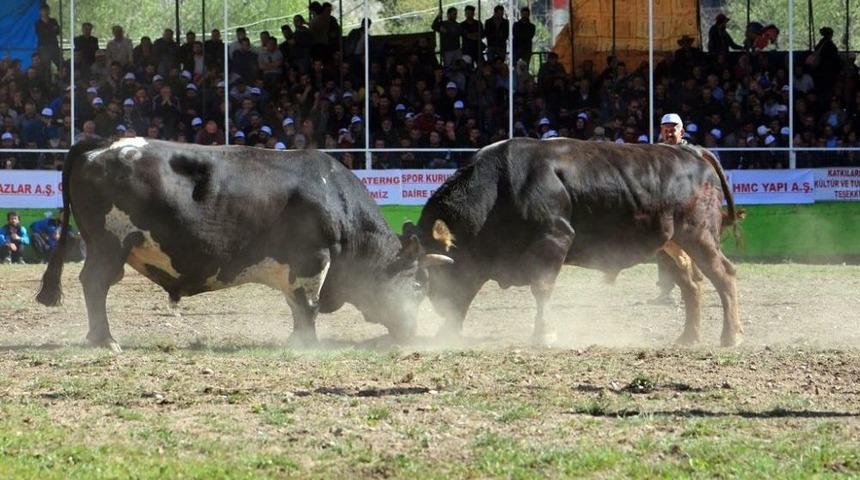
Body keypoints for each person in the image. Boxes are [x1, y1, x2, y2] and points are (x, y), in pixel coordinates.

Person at [650, 113, 687, 305]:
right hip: (664, 210)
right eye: (665, 130)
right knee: (663, 249)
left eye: (673, 129)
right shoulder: (657, 152)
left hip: (686, 210)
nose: (669, 133)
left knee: (688, 251)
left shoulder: (691, 154)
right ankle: (666, 292)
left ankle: (688, 290)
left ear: (681, 131)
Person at [35, 4, 62, 74]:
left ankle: (61, 79)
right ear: (40, 12)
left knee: (61, 63)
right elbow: (41, 34)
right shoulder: (38, 23)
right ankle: (47, 83)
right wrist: (51, 30)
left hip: (54, 45)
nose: (45, 12)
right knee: (46, 67)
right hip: (44, 47)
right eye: (43, 11)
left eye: (46, 10)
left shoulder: (53, 21)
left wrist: (49, 31)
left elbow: (57, 32)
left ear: (49, 11)